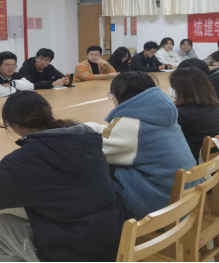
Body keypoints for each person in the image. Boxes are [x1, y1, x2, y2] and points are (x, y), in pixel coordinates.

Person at [0, 91, 131, 262]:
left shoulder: (26, 160)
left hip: (75, 252)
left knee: (0, 225)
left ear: (14, 126)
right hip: (116, 238)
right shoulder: (87, 137)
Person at [84, 72, 196, 220]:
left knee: (89, 173)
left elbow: (98, 150)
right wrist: (91, 128)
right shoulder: (158, 114)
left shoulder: (132, 124)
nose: (112, 99)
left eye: (111, 95)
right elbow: (117, 135)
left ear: (121, 93)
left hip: (159, 207)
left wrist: (80, 129)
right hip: (183, 199)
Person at [170, 68, 219, 162]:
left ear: (181, 89)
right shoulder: (215, 106)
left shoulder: (180, 113)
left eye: (172, 86)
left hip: (200, 162)